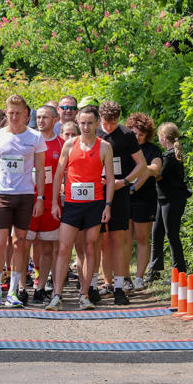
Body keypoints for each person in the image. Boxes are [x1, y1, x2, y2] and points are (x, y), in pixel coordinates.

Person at [46, 105, 116, 311]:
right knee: (64, 248)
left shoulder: (104, 147)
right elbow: (58, 175)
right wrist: (55, 203)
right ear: (78, 123)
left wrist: (108, 206)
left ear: (97, 123)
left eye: (90, 123)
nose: (86, 127)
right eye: (82, 123)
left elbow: (110, 179)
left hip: (95, 203)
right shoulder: (69, 144)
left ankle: (85, 294)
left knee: (90, 247)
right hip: (72, 204)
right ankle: (57, 295)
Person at [0, 95, 46, 308]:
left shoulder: (35, 137)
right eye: (11, 113)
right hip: (2, 195)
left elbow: (40, 170)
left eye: (18, 113)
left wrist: (40, 198)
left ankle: (13, 291)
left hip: (25, 195)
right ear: (6, 113)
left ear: (26, 114)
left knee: (20, 243)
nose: (14, 117)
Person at [96, 100, 148, 305]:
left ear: (119, 118)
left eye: (113, 123)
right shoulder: (94, 133)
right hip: (97, 192)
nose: (109, 127)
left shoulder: (126, 135)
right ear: (100, 118)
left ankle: (120, 283)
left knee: (118, 239)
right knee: (102, 240)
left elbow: (141, 164)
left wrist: (124, 182)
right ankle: (106, 283)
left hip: (119, 191)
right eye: (105, 123)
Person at [27, 104, 63, 304]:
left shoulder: (62, 144)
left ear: (55, 120)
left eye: (45, 117)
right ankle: (20, 287)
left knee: (47, 248)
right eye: (39, 117)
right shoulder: (28, 140)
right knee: (23, 245)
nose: (41, 121)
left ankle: (41, 287)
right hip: (28, 200)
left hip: (51, 202)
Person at [146, 122, 189, 282]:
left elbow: (158, 176)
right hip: (162, 199)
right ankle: (154, 270)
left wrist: (144, 169)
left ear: (164, 138)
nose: (159, 141)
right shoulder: (170, 155)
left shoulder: (170, 157)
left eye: (160, 138)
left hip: (173, 200)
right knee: (156, 233)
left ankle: (179, 273)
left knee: (172, 235)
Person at [125, 112, 160, 291]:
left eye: (141, 134)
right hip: (123, 198)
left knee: (142, 238)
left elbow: (155, 168)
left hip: (144, 199)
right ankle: (124, 277)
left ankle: (139, 277)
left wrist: (139, 177)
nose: (137, 137)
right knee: (124, 239)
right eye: (134, 133)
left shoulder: (153, 150)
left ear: (147, 135)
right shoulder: (122, 148)